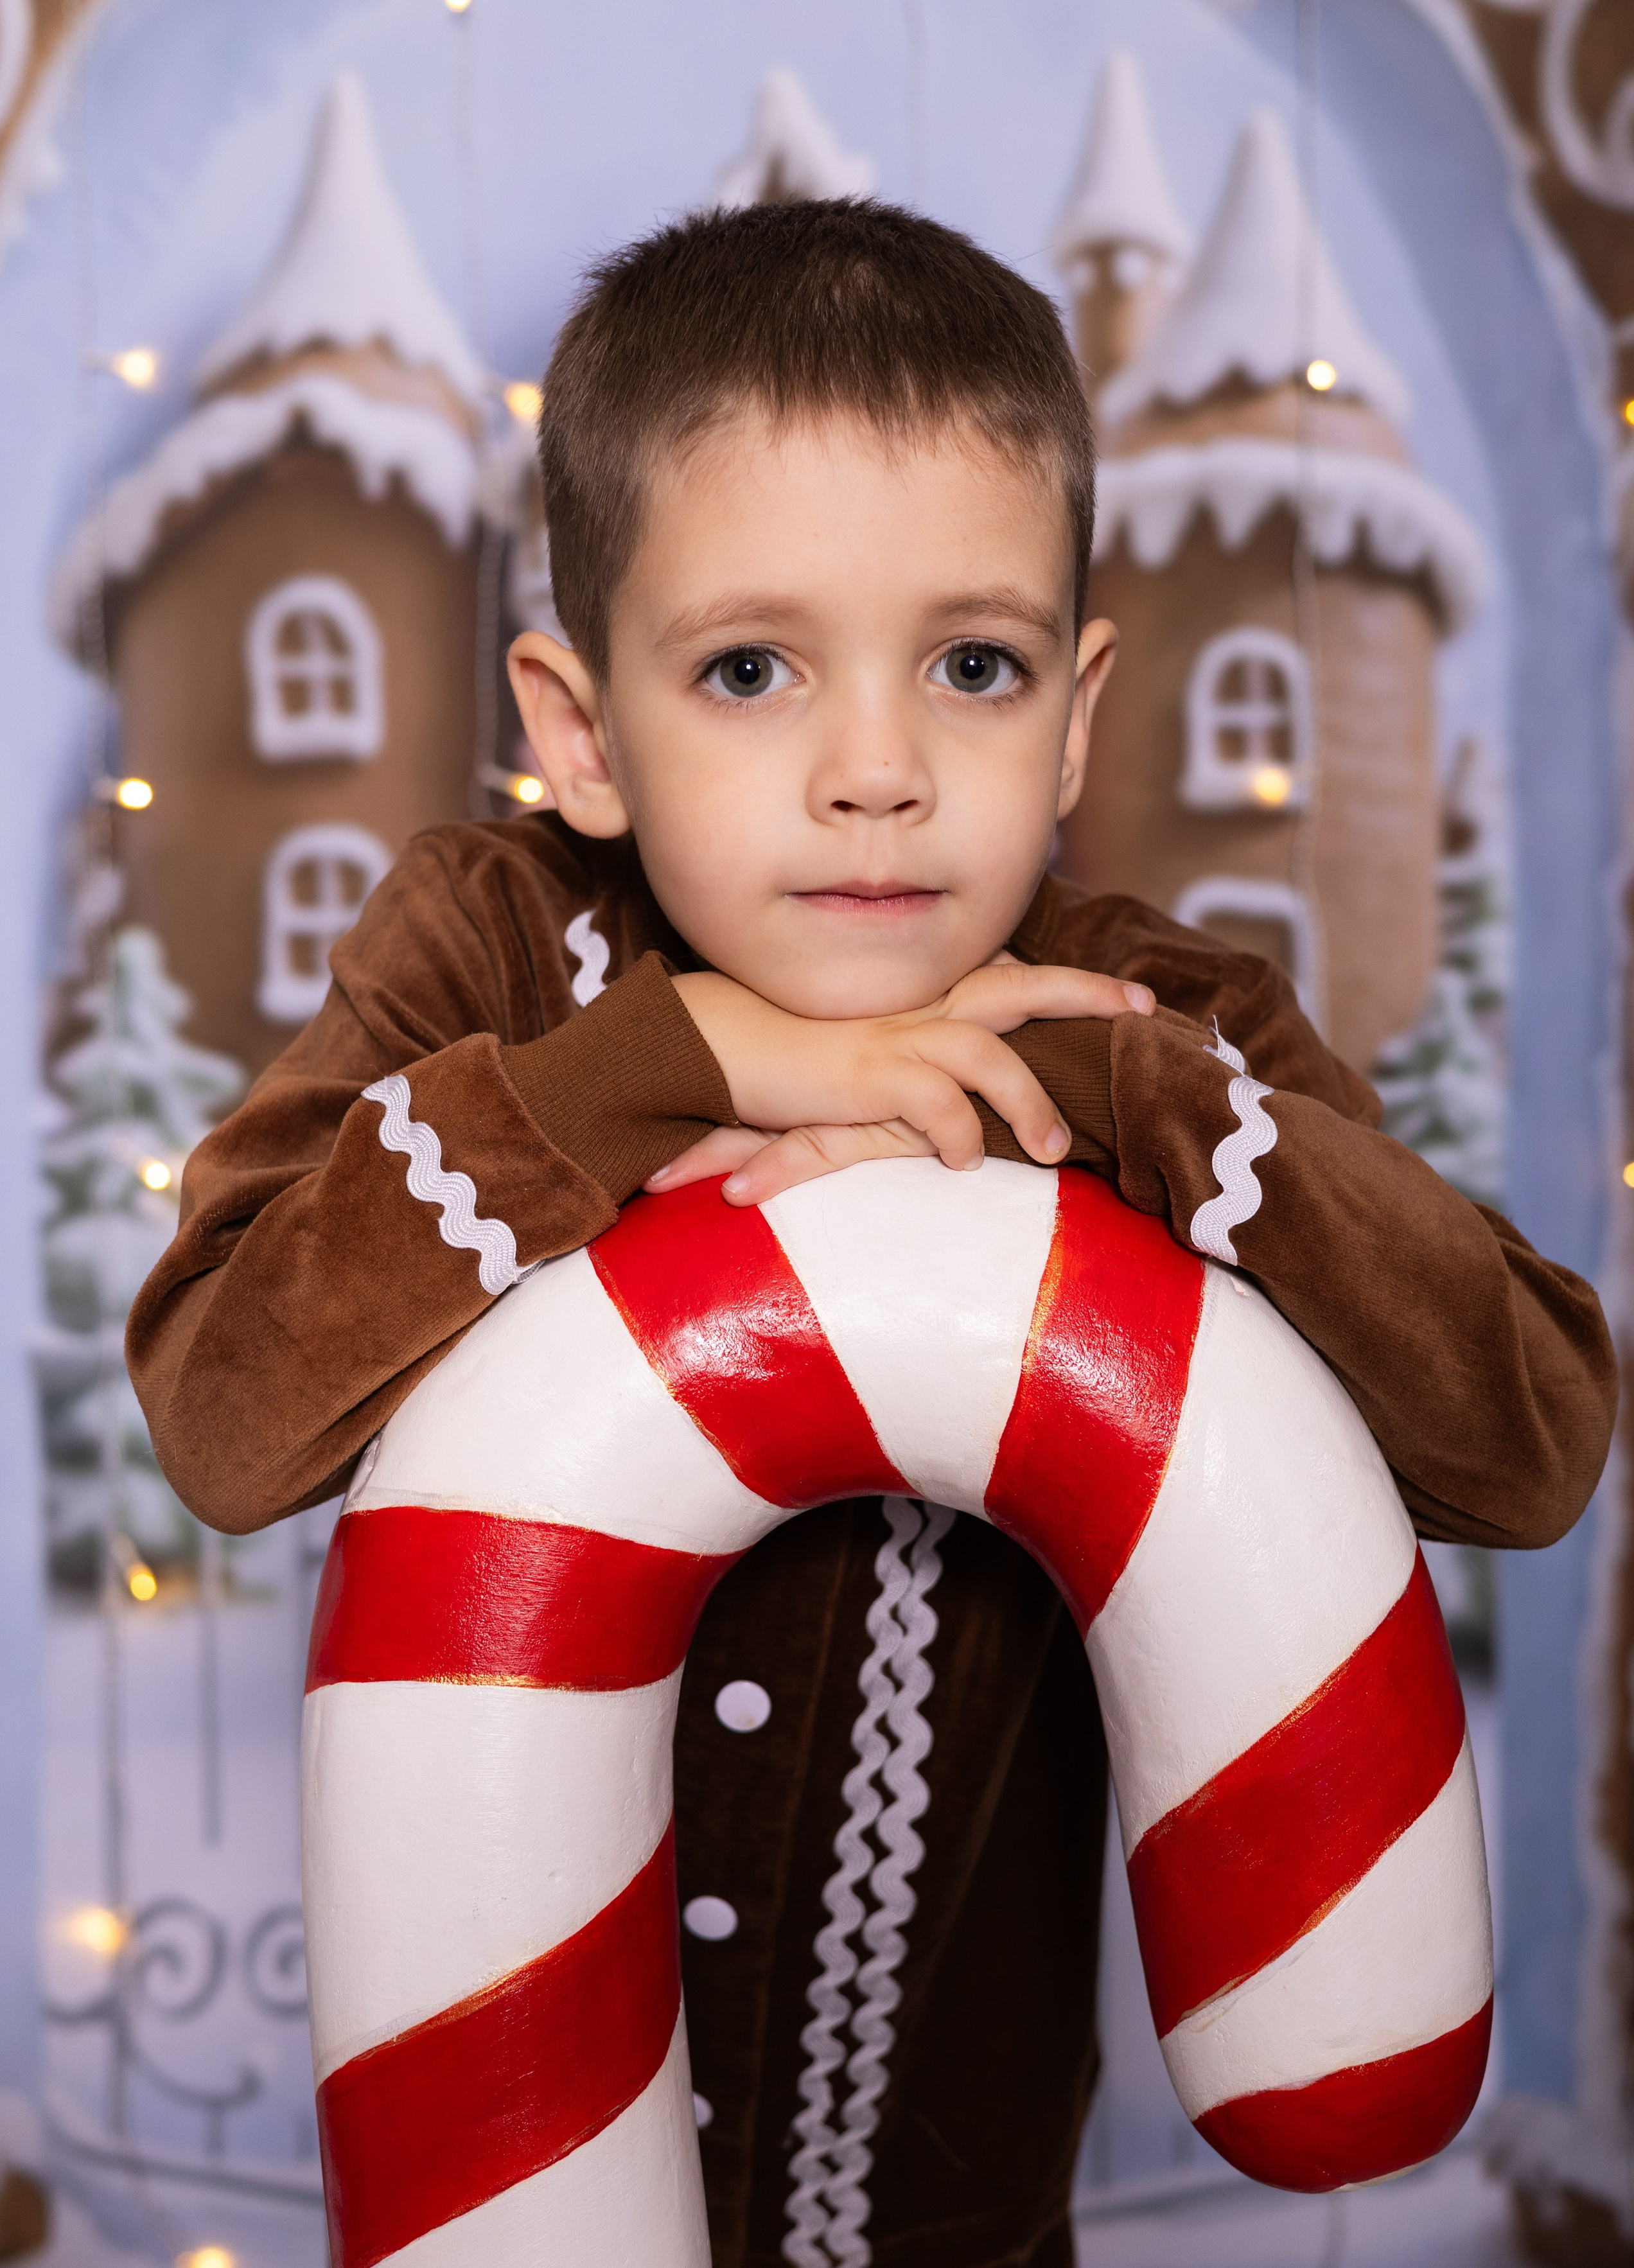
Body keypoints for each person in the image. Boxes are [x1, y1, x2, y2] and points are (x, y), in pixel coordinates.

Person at [128, 199, 1615, 2268]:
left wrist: (1109, 1097)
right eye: (751, 667)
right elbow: (219, 1402)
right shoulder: (490, 953)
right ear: (577, 728)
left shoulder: (1145, 1023)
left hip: (967, 2224)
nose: (880, 772)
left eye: (974, 665)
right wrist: (661, 1067)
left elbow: (1528, 1430)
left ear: (1076, 717)